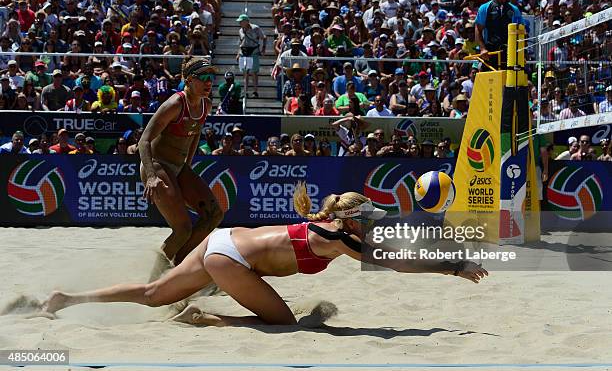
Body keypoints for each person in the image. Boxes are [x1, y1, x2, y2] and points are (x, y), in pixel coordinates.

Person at [42, 185, 488, 325]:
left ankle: (66, 299)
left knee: (153, 293)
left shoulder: (332, 226)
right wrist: (454, 266)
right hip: (229, 260)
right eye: (368, 216)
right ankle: (207, 317)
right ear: (353, 218)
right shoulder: (341, 238)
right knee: (285, 324)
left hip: (222, 240)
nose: (373, 222)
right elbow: (396, 262)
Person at [139, 56, 224, 265]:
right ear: (188, 80)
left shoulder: (206, 104)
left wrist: (188, 165)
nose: (208, 82)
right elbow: (144, 141)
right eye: (203, 77)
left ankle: (180, 264)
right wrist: (150, 176)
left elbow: (194, 135)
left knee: (214, 215)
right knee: (182, 229)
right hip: (158, 165)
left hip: (178, 166)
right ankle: (156, 278)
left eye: (211, 78)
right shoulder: (175, 104)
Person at [475, 0, 523, 70]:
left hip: (510, 53)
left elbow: (521, 32)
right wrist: (482, 48)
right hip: (490, 53)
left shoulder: (515, 10)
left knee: (510, 83)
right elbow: (478, 29)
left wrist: (522, 53)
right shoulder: (485, 8)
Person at [236, 14, 266, 98]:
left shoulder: (255, 28)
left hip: (253, 51)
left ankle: (255, 91)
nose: (240, 23)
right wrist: (238, 53)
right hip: (243, 52)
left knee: (254, 72)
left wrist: (263, 48)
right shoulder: (240, 30)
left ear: (246, 21)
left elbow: (264, 37)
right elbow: (241, 42)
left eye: (241, 21)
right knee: (245, 72)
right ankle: (245, 91)